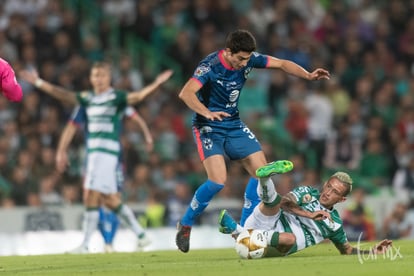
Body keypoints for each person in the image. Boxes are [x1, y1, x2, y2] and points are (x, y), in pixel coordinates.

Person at [175, 29, 330, 253]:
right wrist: (206, 112)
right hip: (208, 126)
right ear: (228, 52)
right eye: (240, 59)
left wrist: (307, 75)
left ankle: (246, 231)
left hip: (234, 124)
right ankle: (186, 223)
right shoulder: (209, 66)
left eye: (247, 58)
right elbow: (186, 93)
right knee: (218, 181)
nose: (244, 63)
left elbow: (282, 64)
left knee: (263, 176)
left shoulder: (248, 60)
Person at [19, 61, 173, 253]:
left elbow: (138, 97)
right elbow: (64, 96)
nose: (98, 79)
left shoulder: (116, 97)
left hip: (106, 153)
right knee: (99, 196)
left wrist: (156, 83)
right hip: (94, 153)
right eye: (95, 75)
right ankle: (139, 236)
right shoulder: (87, 99)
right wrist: (39, 83)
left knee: (95, 194)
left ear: (109, 78)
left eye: (101, 75)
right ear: (90, 78)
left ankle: (90, 243)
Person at [218, 164, 393, 257]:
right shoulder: (308, 192)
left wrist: (372, 251)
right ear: (325, 184)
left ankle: (237, 231)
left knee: (289, 238)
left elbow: (346, 250)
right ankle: (265, 179)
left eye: (335, 193)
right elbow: (286, 203)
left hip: (275, 247)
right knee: (275, 201)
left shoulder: (335, 225)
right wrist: (309, 214)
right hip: (266, 221)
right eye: (329, 187)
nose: (328, 193)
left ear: (342, 200)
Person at [60, 104, 154, 253]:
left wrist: (147, 135)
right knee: (101, 198)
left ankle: (100, 243)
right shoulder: (86, 103)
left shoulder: (115, 100)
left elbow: (133, 116)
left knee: (105, 198)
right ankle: (137, 236)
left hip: (110, 158)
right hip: (95, 158)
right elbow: (73, 125)